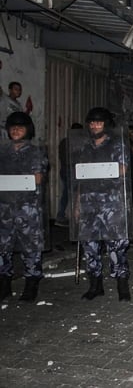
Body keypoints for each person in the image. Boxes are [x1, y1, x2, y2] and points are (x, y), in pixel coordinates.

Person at [72, 107, 133, 301]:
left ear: (106, 124)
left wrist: (100, 170)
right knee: (90, 247)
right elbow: (80, 177)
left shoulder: (117, 145)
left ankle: (122, 286)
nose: (95, 126)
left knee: (116, 246)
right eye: (92, 123)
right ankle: (95, 285)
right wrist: (77, 204)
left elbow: (123, 170)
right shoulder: (84, 147)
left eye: (99, 122)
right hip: (89, 203)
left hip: (111, 203)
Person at [0, 112, 48, 302]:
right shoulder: (3, 152)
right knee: (3, 248)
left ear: (28, 130)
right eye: (12, 127)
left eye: (20, 127)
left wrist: (8, 181)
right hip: (4, 208)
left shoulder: (36, 152)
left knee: (31, 248)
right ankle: (4, 283)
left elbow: (36, 178)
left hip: (28, 209)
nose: (16, 130)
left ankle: (31, 282)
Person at [55, 123, 83, 227]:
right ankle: (73, 218)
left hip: (66, 170)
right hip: (72, 170)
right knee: (74, 194)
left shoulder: (65, 141)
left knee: (66, 194)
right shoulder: (77, 143)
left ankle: (62, 216)